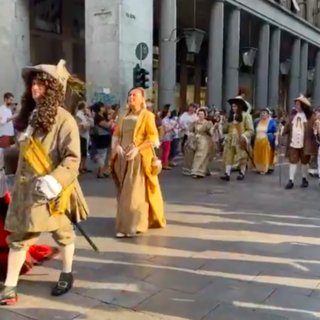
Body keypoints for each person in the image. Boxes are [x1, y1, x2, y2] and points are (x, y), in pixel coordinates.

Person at [0, 60, 89, 304]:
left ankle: (67, 272)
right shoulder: (30, 116)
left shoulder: (65, 120)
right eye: (33, 84)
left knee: (63, 233)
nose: (35, 89)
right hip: (26, 190)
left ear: (53, 89)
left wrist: (54, 180)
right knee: (20, 236)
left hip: (53, 192)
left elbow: (72, 158)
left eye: (41, 84)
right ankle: (9, 286)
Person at [110, 87, 165, 238]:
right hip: (123, 157)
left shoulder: (148, 116)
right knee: (123, 192)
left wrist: (137, 149)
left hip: (138, 158)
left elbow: (153, 138)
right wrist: (117, 147)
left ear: (142, 99)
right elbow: (116, 135)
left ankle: (132, 226)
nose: (131, 97)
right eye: (129, 95)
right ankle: (126, 222)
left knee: (134, 191)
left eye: (134, 95)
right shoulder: (123, 116)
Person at [282, 95, 318, 189]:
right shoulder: (293, 117)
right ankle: (291, 180)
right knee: (292, 161)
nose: (296, 106)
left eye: (298, 104)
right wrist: (282, 131)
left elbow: (315, 128)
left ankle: (304, 178)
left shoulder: (310, 118)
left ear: (303, 106)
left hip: (305, 144)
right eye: (296, 104)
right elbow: (287, 127)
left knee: (304, 162)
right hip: (293, 143)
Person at [221, 96, 254, 181]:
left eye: (235, 106)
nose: (233, 108)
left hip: (240, 140)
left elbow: (250, 130)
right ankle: (227, 173)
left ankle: (242, 173)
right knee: (228, 156)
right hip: (230, 140)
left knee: (242, 157)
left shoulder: (246, 116)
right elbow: (225, 130)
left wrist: (243, 136)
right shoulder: (231, 117)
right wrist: (224, 123)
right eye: (232, 106)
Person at [182, 108, 214, 178]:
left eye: (202, 114)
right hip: (194, 140)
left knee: (200, 155)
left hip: (204, 140)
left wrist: (215, 128)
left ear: (205, 115)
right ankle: (191, 169)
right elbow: (189, 130)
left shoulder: (208, 123)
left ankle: (196, 171)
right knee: (189, 151)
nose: (200, 115)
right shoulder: (194, 123)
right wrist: (190, 134)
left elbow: (211, 132)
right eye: (199, 114)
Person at [252, 109, 278, 174]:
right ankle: (258, 168)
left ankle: (265, 168)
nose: (263, 114)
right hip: (257, 141)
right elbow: (254, 131)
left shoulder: (271, 122)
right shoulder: (257, 122)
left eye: (264, 113)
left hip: (266, 140)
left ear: (268, 115)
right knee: (258, 155)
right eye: (262, 113)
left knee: (265, 155)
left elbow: (275, 132)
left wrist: (276, 139)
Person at [93, 102, 112, 178]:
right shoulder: (98, 117)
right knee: (102, 155)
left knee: (104, 155)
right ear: (100, 108)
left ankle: (101, 171)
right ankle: (100, 172)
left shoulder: (101, 116)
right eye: (103, 107)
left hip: (104, 137)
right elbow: (106, 125)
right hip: (102, 137)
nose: (104, 108)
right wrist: (111, 121)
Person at [75, 101, 93, 173]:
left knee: (85, 152)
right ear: (82, 107)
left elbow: (92, 124)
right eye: (86, 107)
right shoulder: (79, 115)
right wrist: (88, 125)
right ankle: (80, 167)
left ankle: (83, 166)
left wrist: (90, 117)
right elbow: (83, 126)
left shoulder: (85, 115)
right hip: (81, 135)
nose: (87, 109)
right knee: (82, 152)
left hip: (85, 135)